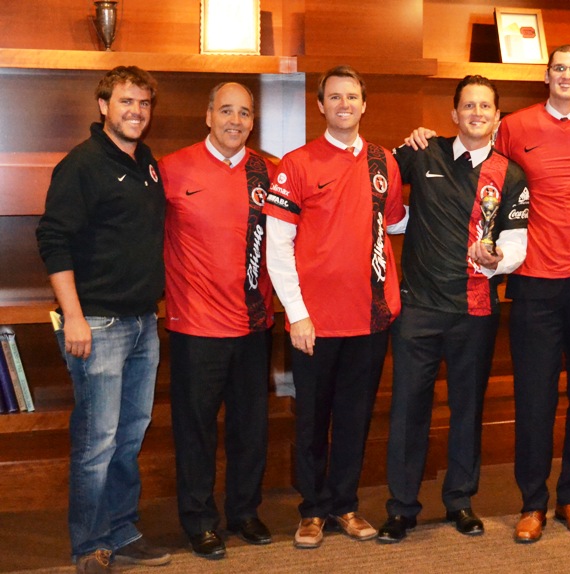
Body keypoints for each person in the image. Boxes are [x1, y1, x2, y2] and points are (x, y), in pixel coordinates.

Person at [377, 75, 530, 543]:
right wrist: (407, 139)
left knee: (467, 408)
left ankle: (460, 501)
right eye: (468, 106)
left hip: (475, 309)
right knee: (407, 409)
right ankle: (402, 507)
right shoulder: (422, 152)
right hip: (418, 309)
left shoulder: (511, 174)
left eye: (485, 106)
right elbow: (377, 182)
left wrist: (499, 258)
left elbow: (517, 242)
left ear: (497, 117)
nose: (476, 113)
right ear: (454, 114)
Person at [264, 65, 407, 549]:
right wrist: (296, 314)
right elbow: (278, 246)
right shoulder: (296, 163)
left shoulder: (384, 161)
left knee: (355, 417)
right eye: (334, 97)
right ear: (320, 106)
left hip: (370, 317)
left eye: (352, 96)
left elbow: (392, 225)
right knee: (311, 420)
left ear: (364, 105)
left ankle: (344, 504)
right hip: (314, 322)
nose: (344, 104)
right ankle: (312, 511)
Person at [36, 65, 171, 574]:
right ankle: (89, 546)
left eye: (143, 103)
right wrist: (73, 317)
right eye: (125, 102)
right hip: (98, 326)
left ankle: (121, 531)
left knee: (130, 435)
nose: (136, 111)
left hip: (142, 323)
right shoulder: (83, 165)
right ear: (103, 106)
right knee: (96, 443)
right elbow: (53, 240)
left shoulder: (145, 162)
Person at [494, 44, 570, 543]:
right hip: (533, 282)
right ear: (546, 75)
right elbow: (486, 172)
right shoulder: (516, 126)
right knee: (535, 396)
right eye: (559, 68)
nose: (566, 76)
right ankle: (532, 502)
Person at [161, 82, 276, 559]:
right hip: (194, 328)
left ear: (253, 121)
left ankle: (245, 512)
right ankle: (200, 520)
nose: (235, 120)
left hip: (254, 325)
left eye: (244, 113)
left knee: (250, 427)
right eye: (226, 110)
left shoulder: (269, 171)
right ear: (207, 115)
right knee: (196, 430)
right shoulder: (170, 169)